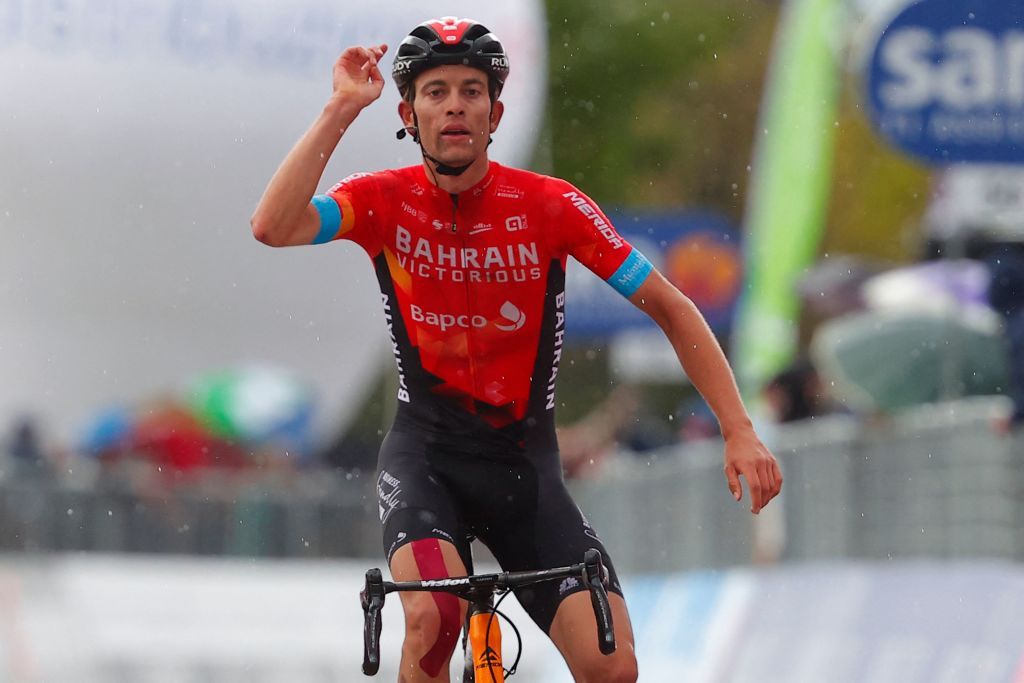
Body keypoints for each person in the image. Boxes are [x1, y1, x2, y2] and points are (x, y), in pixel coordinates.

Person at [250, 17, 782, 683]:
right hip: (426, 463)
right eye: (435, 91)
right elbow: (272, 225)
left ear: (495, 112)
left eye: (471, 91)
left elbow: (672, 308)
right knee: (434, 619)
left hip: (523, 471)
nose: (454, 106)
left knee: (611, 666)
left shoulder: (550, 206)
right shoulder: (382, 201)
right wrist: (339, 110)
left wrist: (739, 429)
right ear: (408, 113)